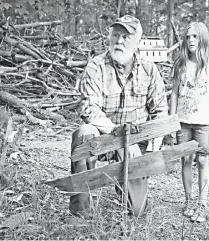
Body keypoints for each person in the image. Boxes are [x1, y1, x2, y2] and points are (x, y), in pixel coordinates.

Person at [71, 15, 168, 218]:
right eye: (116, 35)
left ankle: (129, 187)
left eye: (126, 37)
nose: (119, 41)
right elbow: (90, 109)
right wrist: (122, 139)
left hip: (136, 143)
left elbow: (160, 114)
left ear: (137, 42)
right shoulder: (96, 66)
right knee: (84, 133)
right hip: (104, 137)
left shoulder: (150, 70)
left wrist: (151, 151)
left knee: (137, 210)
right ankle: (80, 209)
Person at [169, 22, 209, 223]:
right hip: (183, 122)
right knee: (186, 160)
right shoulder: (180, 64)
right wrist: (171, 120)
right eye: (188, 37)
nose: (191, 40)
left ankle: (202, 202)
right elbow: (174, 94)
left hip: (203, 123)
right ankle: (189, 199)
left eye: (195, 36)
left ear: (203, 38)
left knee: (202, 161)